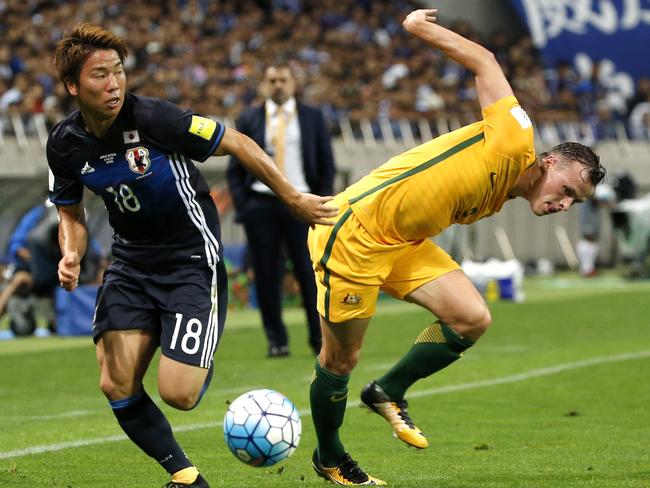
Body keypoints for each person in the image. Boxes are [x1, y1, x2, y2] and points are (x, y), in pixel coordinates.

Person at [306, 9, 606, 486]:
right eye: (566, 189)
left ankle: (388, 391)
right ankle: (330, 456)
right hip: (355, 233)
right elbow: (486, 62)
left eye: (576, 202)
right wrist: (419, 28)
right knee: (340, 358)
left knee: (472, 316)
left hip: (403, 244)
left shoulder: (507, 189)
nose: (564, 203)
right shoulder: (514, 140)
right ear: (548, 162)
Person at [47, 24, 336, 488]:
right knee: (115, 382)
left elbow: (238, 142)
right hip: (129, 263)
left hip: (188, 259)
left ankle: (197, 351)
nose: (114, 83)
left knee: (178, 395)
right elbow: (70, 213)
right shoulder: (64, 143)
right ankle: (186, 479)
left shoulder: (156, 119)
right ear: (72, 86)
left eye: (118, 71)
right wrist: (71, 255)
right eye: (99, 75)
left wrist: (294, 198)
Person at [227, 64, 336, 357]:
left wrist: (321, 201)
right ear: (264, 84)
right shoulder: (249, 118)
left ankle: (319, 340)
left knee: (310, 273)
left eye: (283, 80)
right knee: (265, 276)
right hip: (261, 205)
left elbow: (326, 163)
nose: (278, 85)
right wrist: (244, 205)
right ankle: (277, 341)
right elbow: (235, 168)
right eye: (272, 80)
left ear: (293, 83)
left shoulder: (312, 116)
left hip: (302, 202)